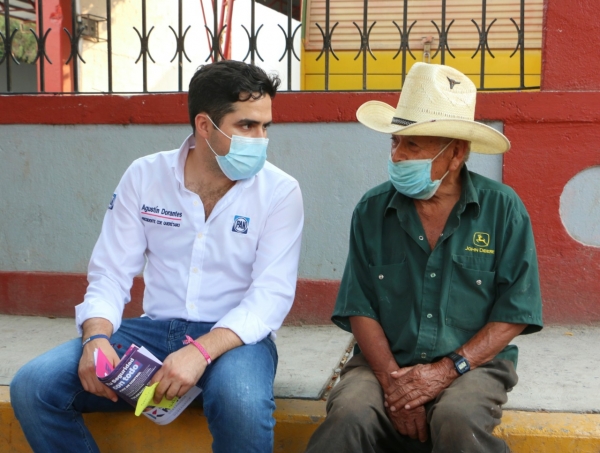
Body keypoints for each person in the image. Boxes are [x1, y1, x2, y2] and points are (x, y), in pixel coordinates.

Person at [10, 60, 304, 453]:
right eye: (247, 126)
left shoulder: (280, 191)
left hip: (234, 340)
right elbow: (111, 273)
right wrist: (95, 337)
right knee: (33, 386)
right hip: (152, 333)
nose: (261, 139)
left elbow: (271, 295)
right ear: (204, 125)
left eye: (266, 127)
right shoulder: (145, 176)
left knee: (241, 402)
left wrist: (200, 352)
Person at [305, 63, 542, 453]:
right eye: (395, 142)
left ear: (457, 154)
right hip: (383, 363)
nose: (397, 155)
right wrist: (393, 380)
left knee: (458, 419)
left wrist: (446, 371)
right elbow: (359, 305)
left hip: (471, 366)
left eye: (412, 145)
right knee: (349, 414)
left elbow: (516, 311)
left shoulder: (503, 209)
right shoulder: (372, 209)